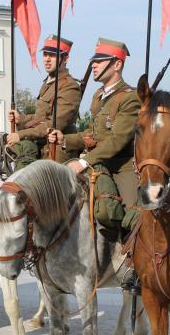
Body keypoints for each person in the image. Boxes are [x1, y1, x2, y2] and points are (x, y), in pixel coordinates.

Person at [48, 38, 140, 210]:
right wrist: (65, 139)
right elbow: (93, 134)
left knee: (132, 215)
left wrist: (84, 162)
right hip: (97, 163)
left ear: (117, 65)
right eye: (94, 61)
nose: (94, 65)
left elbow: (117, 141)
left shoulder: (130, 97)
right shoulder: (99, 95)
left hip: (121, 167)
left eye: (100, 61)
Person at [7, 35, 81, 168]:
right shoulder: (48, 83)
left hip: (56, 148)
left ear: (65, 58)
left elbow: (54, 124)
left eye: (52, 55)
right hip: (40, 142)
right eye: (45, 54)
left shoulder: (70, 87)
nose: (47, 59)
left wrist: (21, 134)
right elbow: (40, 117)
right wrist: (21, 119)